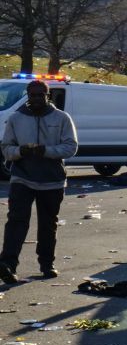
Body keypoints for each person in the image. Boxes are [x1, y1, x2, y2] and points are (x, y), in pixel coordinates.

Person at [0, 80, 78, 282]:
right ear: (27, 96)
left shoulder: (61, 118)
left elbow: (71, 147)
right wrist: (20, 151)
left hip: (52, 180)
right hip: (22, 178)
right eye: (32, 95)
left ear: (48, 96)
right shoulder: (16, 118)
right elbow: (6, 148)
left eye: (40, 95)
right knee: (16, 221)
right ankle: (7, 265)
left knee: (47, 224)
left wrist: (47, 151)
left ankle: (46, 264)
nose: (35, 99)